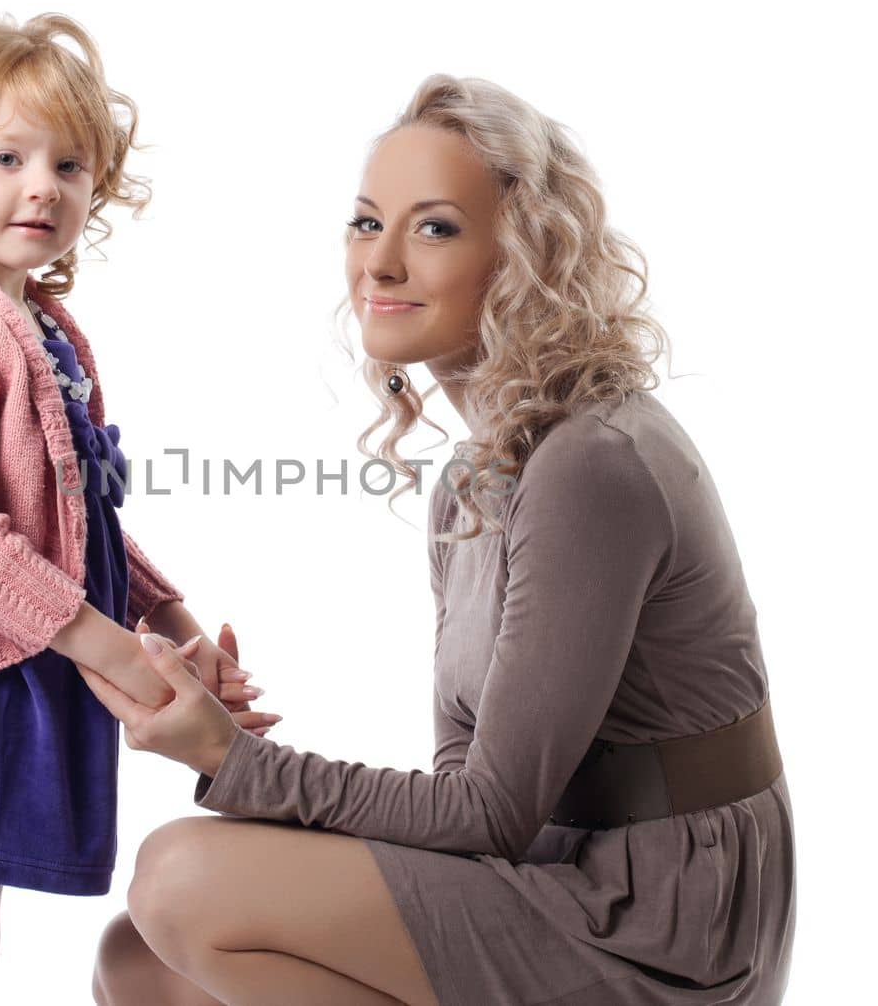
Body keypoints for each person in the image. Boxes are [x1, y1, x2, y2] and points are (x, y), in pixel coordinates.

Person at [82, 75, 796, 1005]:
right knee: (136, 963)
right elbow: (465, 792)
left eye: (434, 227)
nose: (378, 264)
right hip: (552, 867)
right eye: (366, 222)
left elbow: (488, 813)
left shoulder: (593, 464)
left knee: (182, 878)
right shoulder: (475, 479)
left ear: (528, 254)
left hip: (660, 920)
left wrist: (230, 759)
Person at [0, 11, 281, 1005]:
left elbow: (71, 517)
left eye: (70, 165)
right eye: (6, 155)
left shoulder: (34, 321)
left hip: (1, 658)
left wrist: (168, 621)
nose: (42, 183)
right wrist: (111, 648)